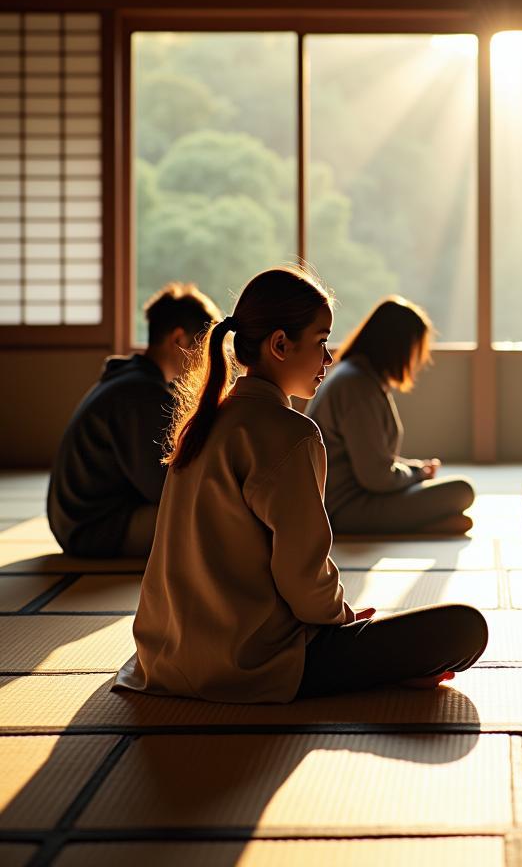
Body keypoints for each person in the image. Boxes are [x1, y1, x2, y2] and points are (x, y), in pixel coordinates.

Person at [115, 267, 487, 704]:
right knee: (465, 628)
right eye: (321, 342)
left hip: (165, 659)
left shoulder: (205, 422)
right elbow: (303, 580)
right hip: (248, 662)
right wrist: (343, 620)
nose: (328, 359)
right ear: (280, 345)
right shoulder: (290, 434)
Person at [46, 282, 220, 558]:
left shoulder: (132, 381)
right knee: (216, 522)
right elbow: (165, 490)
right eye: (203, 347)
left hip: (79, 521)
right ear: (178, 339)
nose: (206, 360)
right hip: (97, 528)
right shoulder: (141, 394)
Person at [307, 296, 474, 535]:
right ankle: (426, 525)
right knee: (462, 490)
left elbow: (376, 461)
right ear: (398, 347)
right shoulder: (357, 387)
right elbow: (376, 477)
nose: (417, 362)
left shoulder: (358, 376)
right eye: (416, 351)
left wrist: (417, 469)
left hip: (352, 500)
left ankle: (428, 525)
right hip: (346, 509)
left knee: (454, 497)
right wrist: (418, 474)